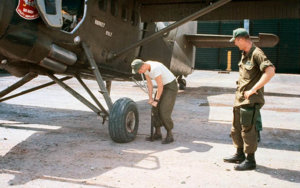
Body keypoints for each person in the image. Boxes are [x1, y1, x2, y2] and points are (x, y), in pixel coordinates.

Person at [223, 28, 275, 170]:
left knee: (248, 130)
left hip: (250, 100)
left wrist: (254, 89)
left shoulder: (256, 54)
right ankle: (239, 154)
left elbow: (270, 71)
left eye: (235, 41)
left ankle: (250, 160)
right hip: (240, 99)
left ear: (241, 39)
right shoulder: (244, 54)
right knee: (237, 128)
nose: (235, 44)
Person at [131, 59, 178, 144]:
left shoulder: (155, 68)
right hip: (163, 85)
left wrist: (156, 100)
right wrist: (150, 98)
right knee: (154, 109)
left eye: (139, 70)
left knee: (164, 110)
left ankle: (170, 134)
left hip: (171, 86)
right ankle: (158, 133)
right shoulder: (145, 69)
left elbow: (160, 86)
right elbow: (149, 84)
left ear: (143, 65)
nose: (139, 72)